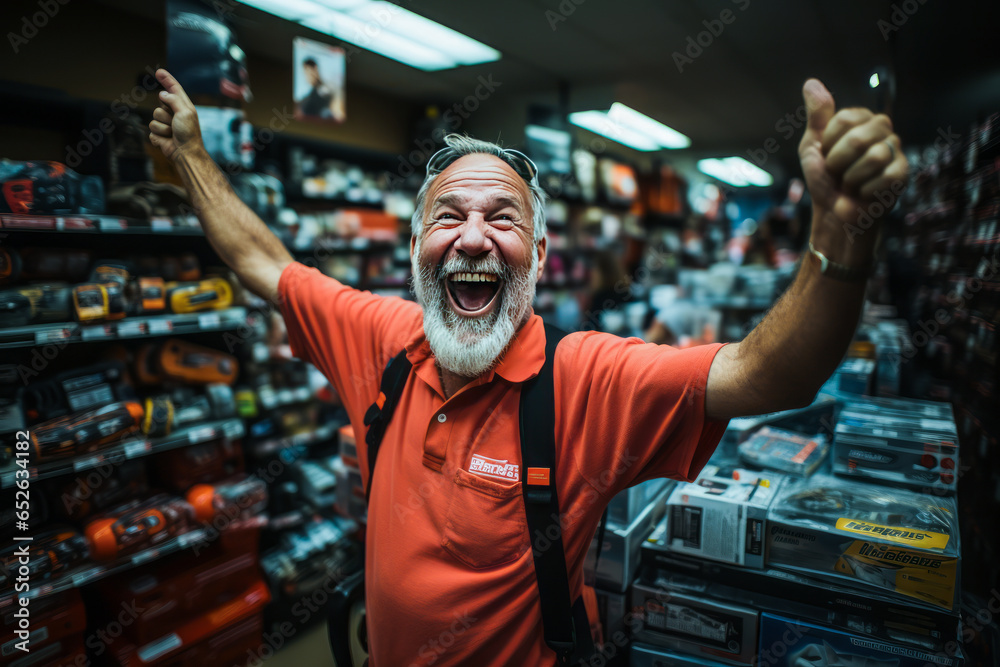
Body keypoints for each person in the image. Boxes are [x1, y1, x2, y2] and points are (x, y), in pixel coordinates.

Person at [148, 68, 908, 666]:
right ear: (415, 251)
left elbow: (766, 375)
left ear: (540, 258)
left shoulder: (584, 381)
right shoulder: (381, 340)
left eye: (502, 218)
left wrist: (843, 238)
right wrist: (190, 160)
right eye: (448, 215)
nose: (473, 237)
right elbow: (264, 260)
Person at [297, 57, 345, 122]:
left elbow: (338, 113)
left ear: (315, 69)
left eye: (308, 72)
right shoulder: (307, 98)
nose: (307, 77)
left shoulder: (330, 88)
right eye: (305, 73)